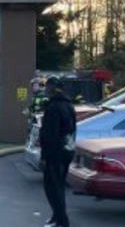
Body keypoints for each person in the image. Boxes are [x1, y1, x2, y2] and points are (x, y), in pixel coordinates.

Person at [39, 75, 76, 227]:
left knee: (52, 188)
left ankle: (62, 221)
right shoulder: (68, 105)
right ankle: (57, 217)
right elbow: (71, 129)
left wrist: (44, 156)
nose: (45, 90)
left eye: (47, 87)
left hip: (55, 154)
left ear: (52, 88)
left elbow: (50, 135)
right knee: (59, 186)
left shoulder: (53, 107)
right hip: (66, 152)